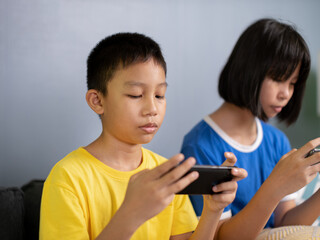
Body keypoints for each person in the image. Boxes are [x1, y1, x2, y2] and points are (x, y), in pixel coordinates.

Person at [39, 32, 247, 240]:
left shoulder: (166, 174)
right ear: (97, 101)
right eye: (136, 95)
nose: (152, 108)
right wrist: (131, 214)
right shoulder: (67, 178)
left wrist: (213, 210)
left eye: (159, 95)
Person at [180, 18, 320, 239]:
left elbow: (284, 222)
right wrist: (275, 186)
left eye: (292, 83)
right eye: (278, 78)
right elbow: (221, 237)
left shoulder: (276, 140)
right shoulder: (200, 146)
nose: (286, 93)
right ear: (248, 70)